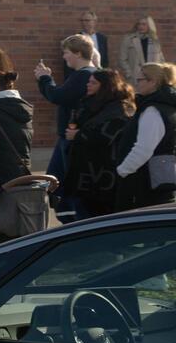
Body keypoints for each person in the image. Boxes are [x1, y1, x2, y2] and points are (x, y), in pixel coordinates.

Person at [37, 33, 100, 222]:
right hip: (67, 136)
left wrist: (45, 78)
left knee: (63, 182)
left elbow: (59, 96)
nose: (64, 57)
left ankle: (73, 221)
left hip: (72, 138)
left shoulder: (84, 75)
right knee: (55, 180)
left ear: (78, 53)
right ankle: (68, 217)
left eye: (66, 53)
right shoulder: (86, 74)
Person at [64, 69, 136, 218]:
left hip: (104, 173)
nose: (88, 85)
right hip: (86, 171)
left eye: (93, 82)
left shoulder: (120, 107)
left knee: (101, 215)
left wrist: (79, 135)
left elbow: (106, 135)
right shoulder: (90, 104)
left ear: (105, 86)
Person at [121, 63, 176, 210]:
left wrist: (122, 171)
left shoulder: (153, 110)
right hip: (163, 179)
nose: (136, 84)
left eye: (139, 80)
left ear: (153, 82)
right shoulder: (169, 105)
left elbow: (143, 149)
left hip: (145, 182)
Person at [117, 16, 164, 82]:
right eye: (139, 24)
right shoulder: (129, 39)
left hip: (152, 76)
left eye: (144, 24)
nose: (141, 26)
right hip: (135, 76)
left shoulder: (154, 40)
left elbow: (161, 59)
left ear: (149, 26)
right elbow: (122, 59)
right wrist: (129, 74)